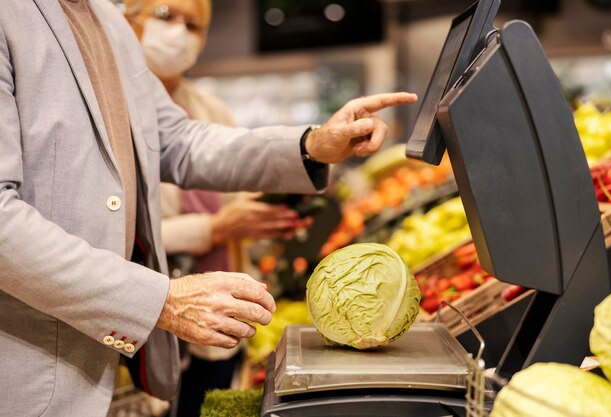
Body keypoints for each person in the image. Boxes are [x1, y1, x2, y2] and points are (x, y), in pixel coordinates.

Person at [0, 1, 417, 416]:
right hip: (23, 371)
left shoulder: (109, 21)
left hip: (101, 361)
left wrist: (311, 145)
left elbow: (177, 139)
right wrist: (161, 300)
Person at [124, 1, 309, 415]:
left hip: (219, 320)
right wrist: (215, 228)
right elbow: (117, 232)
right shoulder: (113, 111)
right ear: (126, 17)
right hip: (150, 317)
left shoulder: (209, 110)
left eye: (195, 25)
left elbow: (226, 184)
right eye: (168, 16)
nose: (180, 34)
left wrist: (258, 215)